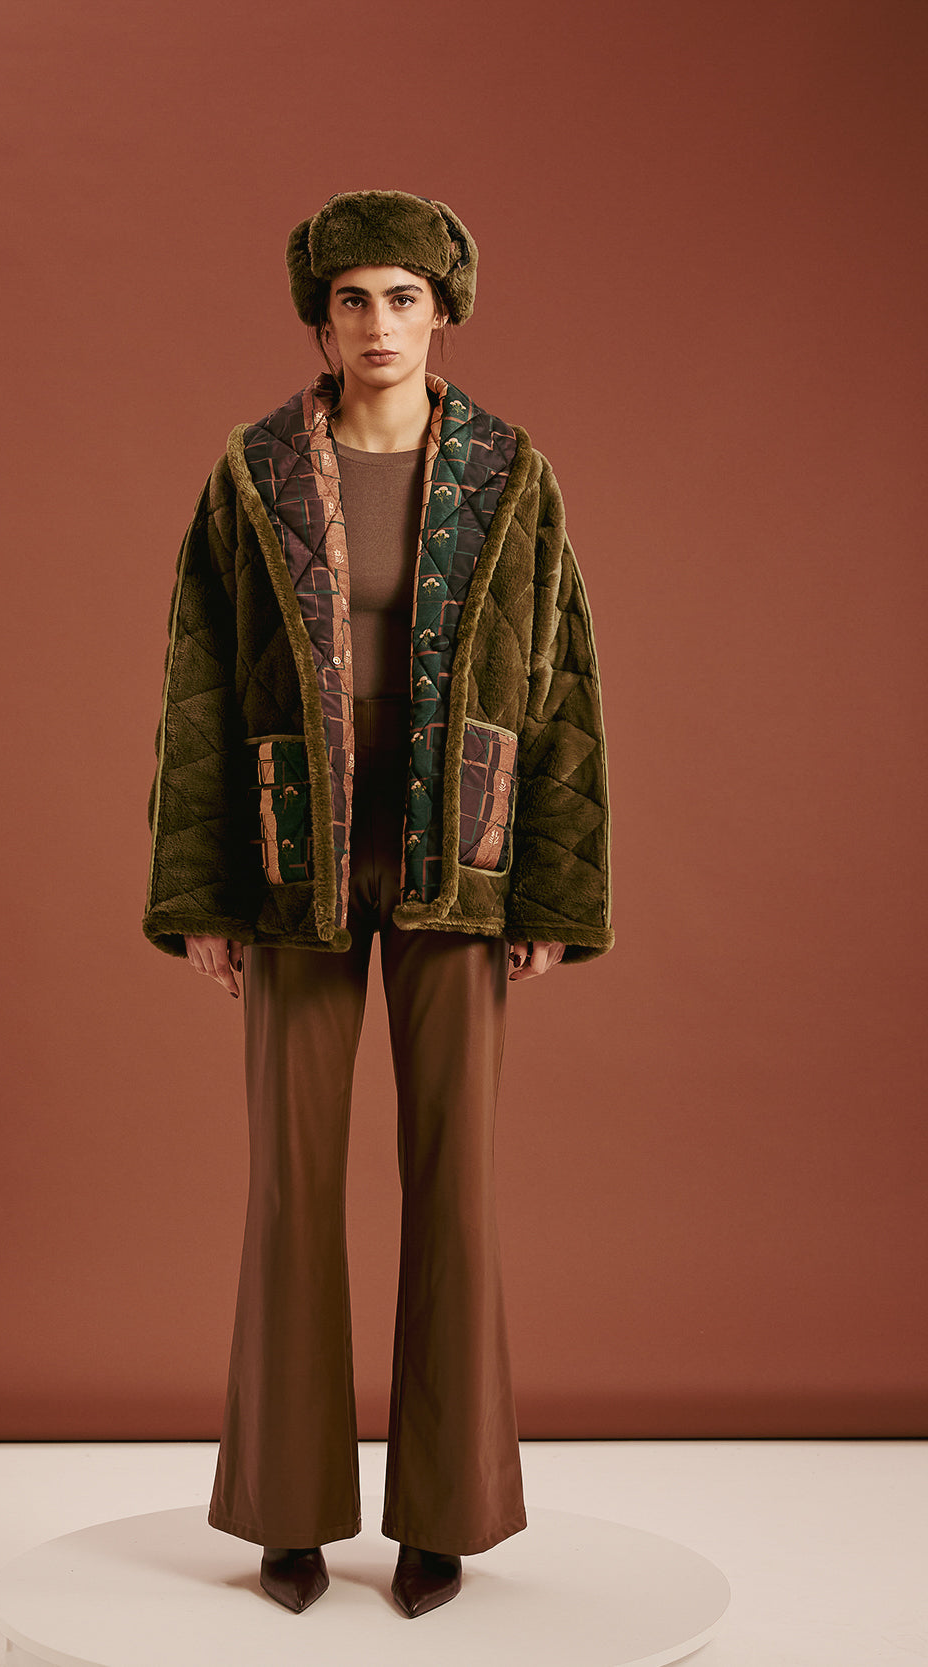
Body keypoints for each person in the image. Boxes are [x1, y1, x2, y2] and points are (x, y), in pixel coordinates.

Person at [143, 189, 613, 1618]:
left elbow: (563, 682)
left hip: (459, 860)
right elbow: (200, 680)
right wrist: (201, 889)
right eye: (353, 299)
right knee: (291, 1188)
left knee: (454, 1185)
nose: (379, 324)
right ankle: (286, 1512)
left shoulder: (512, 475)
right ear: (322, 319)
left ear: (443, 309)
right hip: (294, 860)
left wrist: (551, 886)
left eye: (402, 297)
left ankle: (444, 1516)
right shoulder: (252, 474)